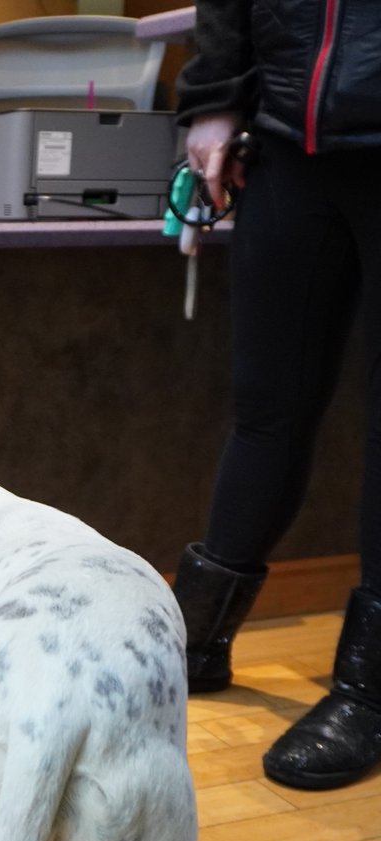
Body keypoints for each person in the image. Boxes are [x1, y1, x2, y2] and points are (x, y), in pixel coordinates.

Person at [170, 1, 381, 790]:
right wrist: (216, 99)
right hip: (290, 137)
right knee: (267, 408)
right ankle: (196, 640)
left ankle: (369, 688)